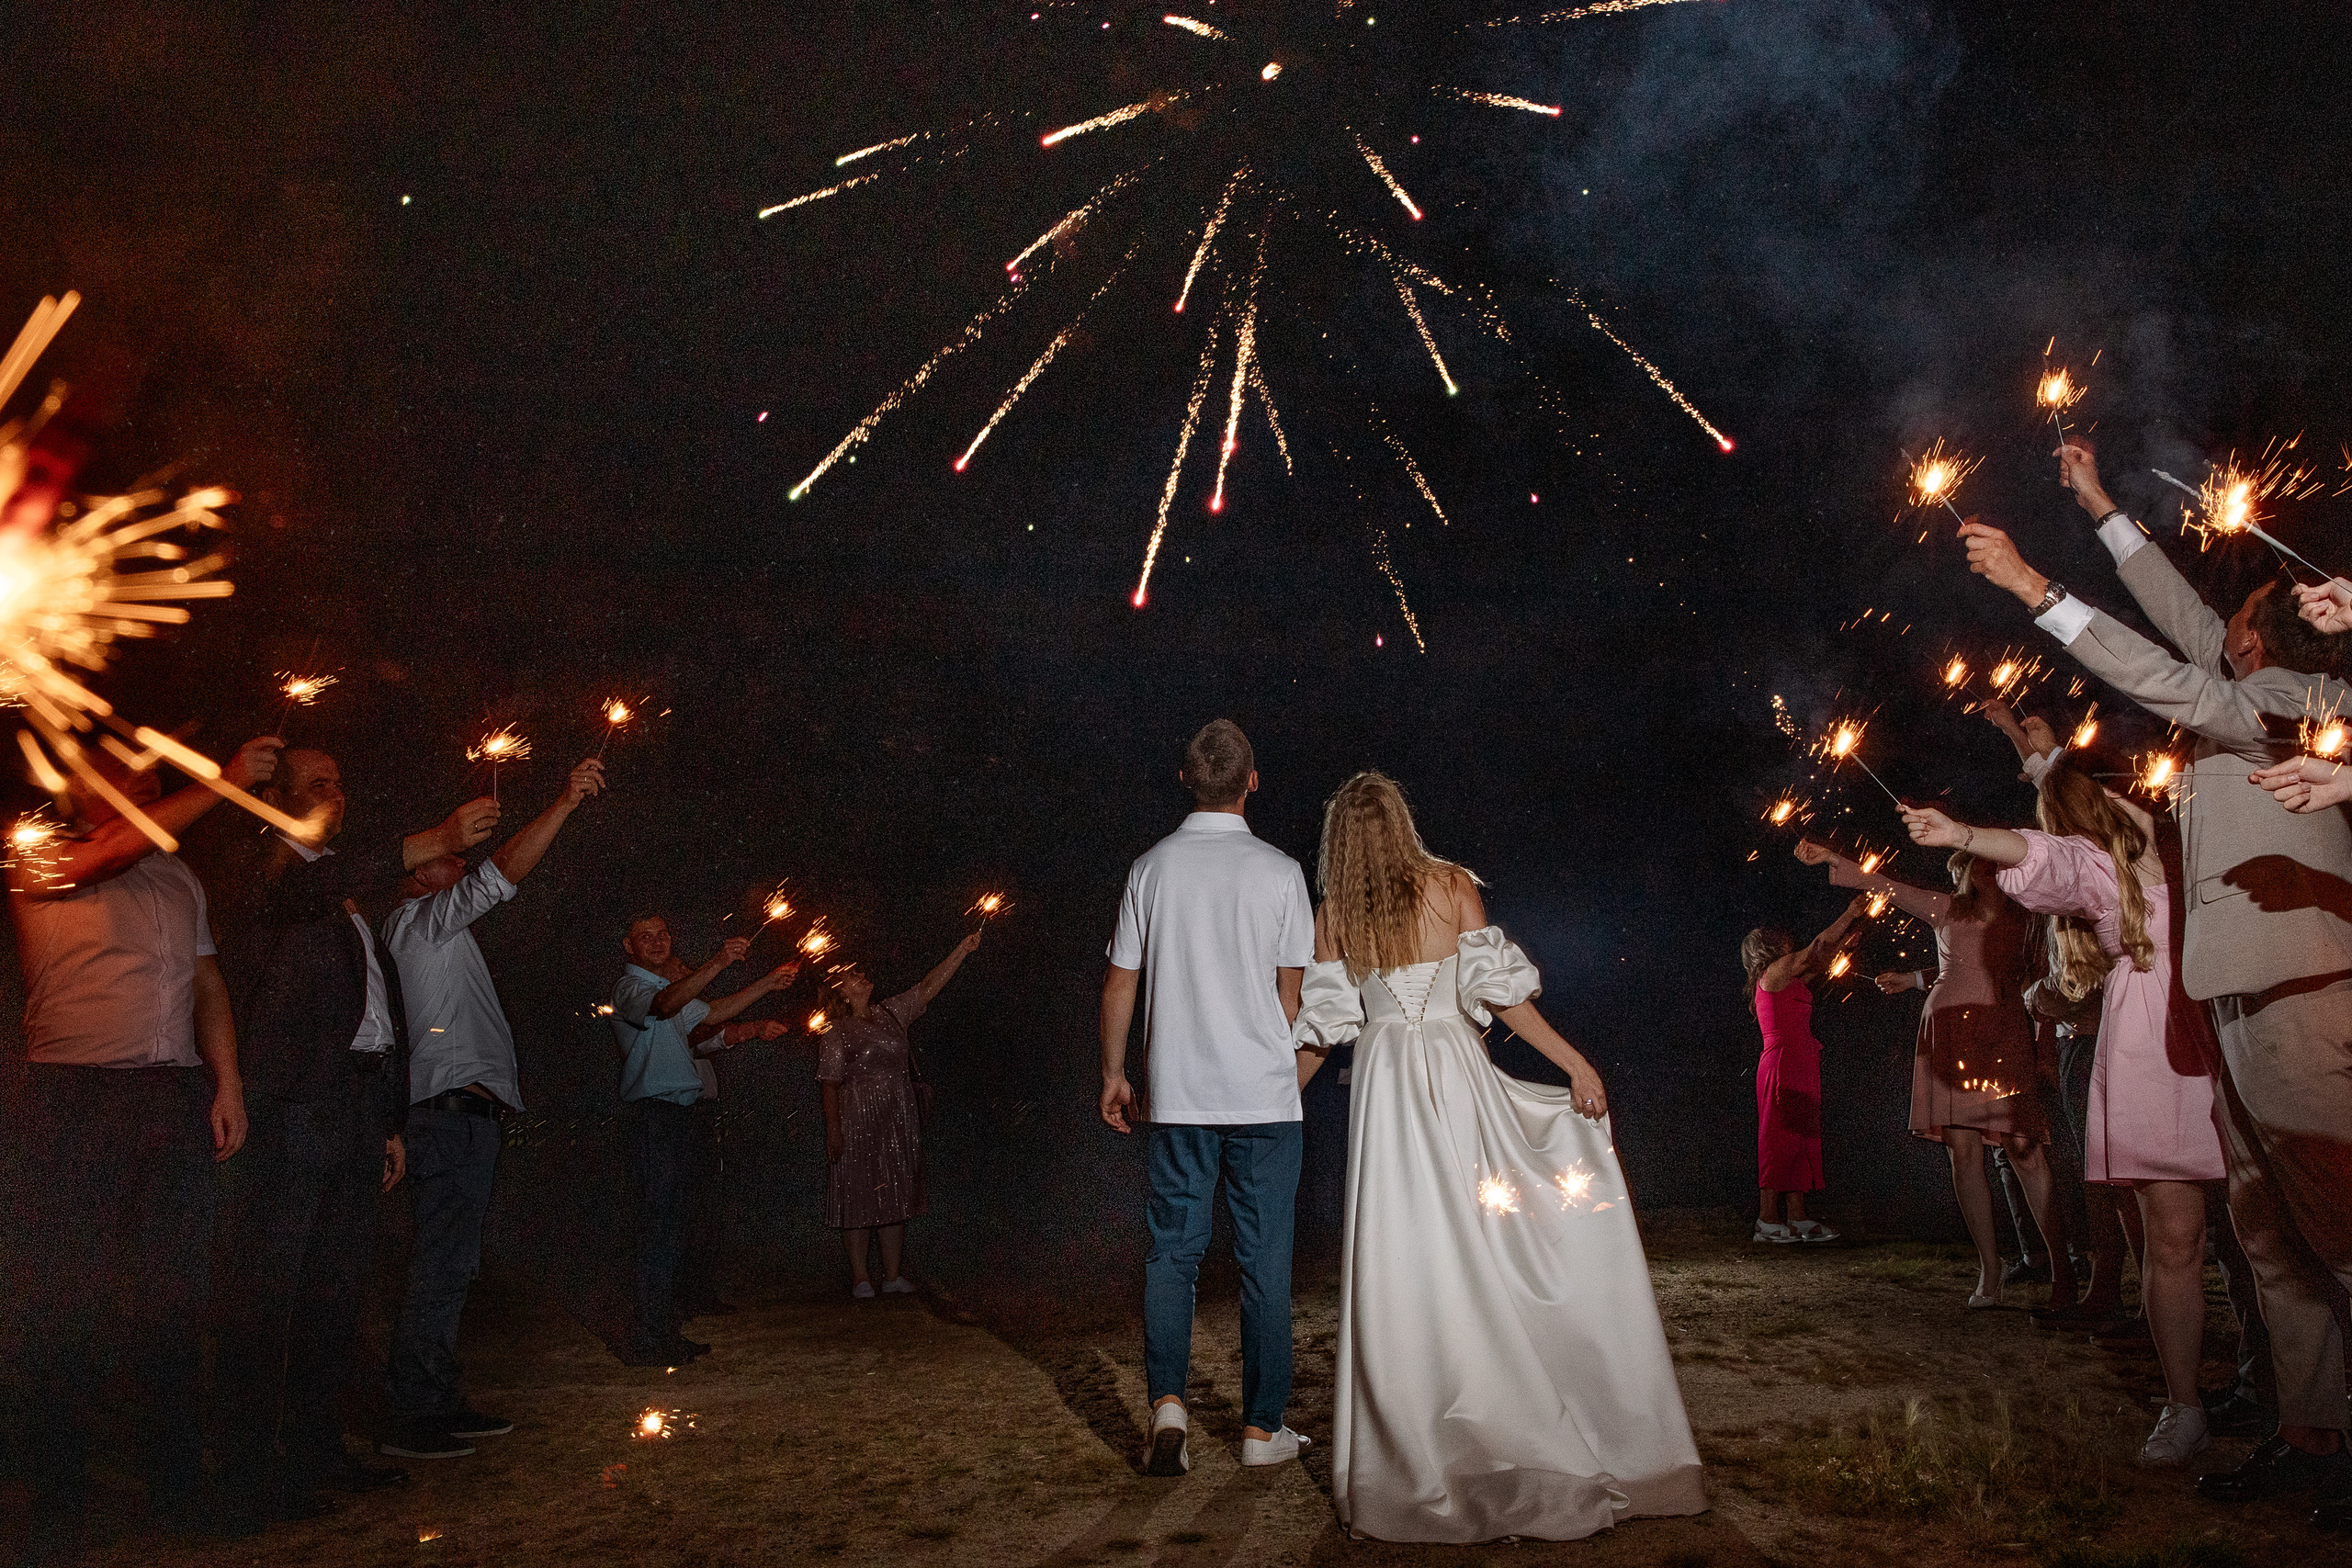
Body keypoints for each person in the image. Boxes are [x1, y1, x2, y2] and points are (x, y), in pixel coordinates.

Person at [1962, 443, 2352, 1522]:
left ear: (2255, 640)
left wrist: (2037, 589)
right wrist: (2097, 506)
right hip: (2233, 994)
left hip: (2303, 983)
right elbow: (2180, 626)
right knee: (2270, 1231)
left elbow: (2162, 668)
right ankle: (2312, 1435)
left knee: (2338, 1219)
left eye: (2237, 614)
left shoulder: (2296, 697)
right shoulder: (2248, 686)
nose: (2214, 616)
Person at [1292, 772, 1704, 1542]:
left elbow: (1323, 1028)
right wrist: (1573, 1062)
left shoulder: (1336, 913)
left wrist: (1276, 1097)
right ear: (1403, 822)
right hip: (1451, 1068)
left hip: (1386, 1086)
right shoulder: (1450, 886)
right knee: (1483, 1237)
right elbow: (1506, 1000)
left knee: (1408, 1253)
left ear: (1338, 844)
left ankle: (1428, 1441)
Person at [1900, 754, 2226, 1467]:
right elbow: (2041, 853)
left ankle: (2298, 1402)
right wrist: (1963, 831)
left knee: (2272, 1240)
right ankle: (2185, 1404)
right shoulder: (2102, 862)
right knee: (2175, 1237)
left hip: (2239, 1022)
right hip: (2157, 1040)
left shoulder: (2212, 826)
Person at [211, 750, 498, 1522]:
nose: (337, 794)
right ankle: (246, 1467)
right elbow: (306, 894)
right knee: (275, 1290)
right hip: (295, 1108)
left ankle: (314, 1452)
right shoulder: (269, 870)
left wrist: (389, 1122)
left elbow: (375, 1010)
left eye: (341, 782)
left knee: (336, 1293)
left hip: (352, 1106)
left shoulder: (345, 891)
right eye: (316, 785)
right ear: (274, 800)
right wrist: (434, 837)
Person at [6, 735, 277, 1549]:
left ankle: (175, 1489)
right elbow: (112, 851)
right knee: (70, 1298)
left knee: (173, 1298)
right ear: (78, 793)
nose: (146, 787)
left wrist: (225, 1081)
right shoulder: (40, 854)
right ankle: (55, 1498)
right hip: (74, 1098)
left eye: (154, 780)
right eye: (129, 777)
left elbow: (207, 982)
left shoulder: (178, 873)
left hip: (169, 1095)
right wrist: (226, 783)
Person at [1099, 719, 1315, 1476]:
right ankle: (1261, 1430)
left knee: (1172, 1255)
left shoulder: (1150, 868)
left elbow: (1121, 977)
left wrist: (1114, 1072)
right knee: (1264, 1263)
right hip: (1261, 1097)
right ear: (1251, 781)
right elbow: (1293, 1000)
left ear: (1186, 779)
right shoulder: (1282, 871)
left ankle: (1167, 1406)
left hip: (1181, 1095)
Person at [377, 757, 604, 1458]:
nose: (463, 863)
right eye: (451, 859)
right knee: (441, 1265)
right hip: (444, 1119)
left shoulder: (440, 931)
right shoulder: (416, 922)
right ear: (419, 873)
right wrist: (564, 802)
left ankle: (438, 1399)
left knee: (452, 1264)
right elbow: (505, 870)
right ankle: (415, 1414)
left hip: (461, 1120)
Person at [1795, 838, 2068, 1309]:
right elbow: (1884, 884)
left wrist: (2044, 1049)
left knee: (2024, 1148)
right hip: (1950, 1033)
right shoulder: (1945, 908)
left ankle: (2062, 1268)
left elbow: (2032, 975)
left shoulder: (2028, 917)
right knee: (1964, 1153)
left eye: (1979, 867)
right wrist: (1834, 859)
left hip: (2004, 1032)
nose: (1970, 877)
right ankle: (1990, 1268)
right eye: (1965, 870)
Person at [608, 917, 797, 1365]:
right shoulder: (630, 988)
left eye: (665, 934)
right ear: (628, 945)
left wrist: (767, 983)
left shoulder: (666, 988)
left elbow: (712, 1014)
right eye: (646, 936)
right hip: (654, 1117)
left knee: (673, 1226)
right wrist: (720, 960)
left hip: (677, 1116)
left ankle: (664, 1329)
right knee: (658, 1228)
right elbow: (667, 1003)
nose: (659, 942)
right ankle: (649, 1338)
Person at [817, 931, 983, 1296]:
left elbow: (927, 987)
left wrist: (961, 949)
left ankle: (892, 1275)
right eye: (851, 976)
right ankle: (861, 1276)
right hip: (858, 1115)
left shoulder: (890, 1011)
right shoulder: (836, 1030)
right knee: (858, 1192)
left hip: (897, 1113)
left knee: (895, 1188)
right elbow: (829, 1082)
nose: (861, 976)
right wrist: (833, 1128)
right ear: (840, 993)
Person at [1740, 896, 1869, 1243]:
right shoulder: (1776, 971)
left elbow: (1821, 959)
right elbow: (1816, 948)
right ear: (1768, 949)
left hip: (1798, 1060)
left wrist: (1846, 942)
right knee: (1778, 1139)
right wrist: (1850, 912)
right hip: (1782, 1063)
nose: (1786, 939)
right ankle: (1767, 1221)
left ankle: (1797, 1218)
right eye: (1778, 938)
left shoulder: (1786, 975)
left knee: (1799, 1138)